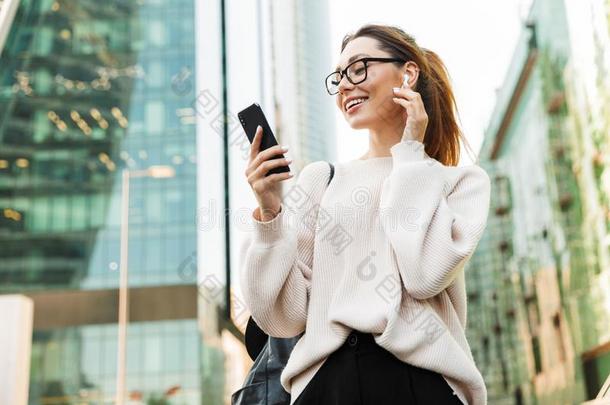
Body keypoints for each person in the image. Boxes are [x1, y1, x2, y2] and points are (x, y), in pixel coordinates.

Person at [240, 23, 491, 405]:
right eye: (338, 76)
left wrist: (410, 156)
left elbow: (424, 275)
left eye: (358, 68)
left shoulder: (461, 183)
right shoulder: (321, 180)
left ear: (408, 73)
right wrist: (270, 210)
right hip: (328, 382)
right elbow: (284, 315)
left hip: (423, 383)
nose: (344, 86)